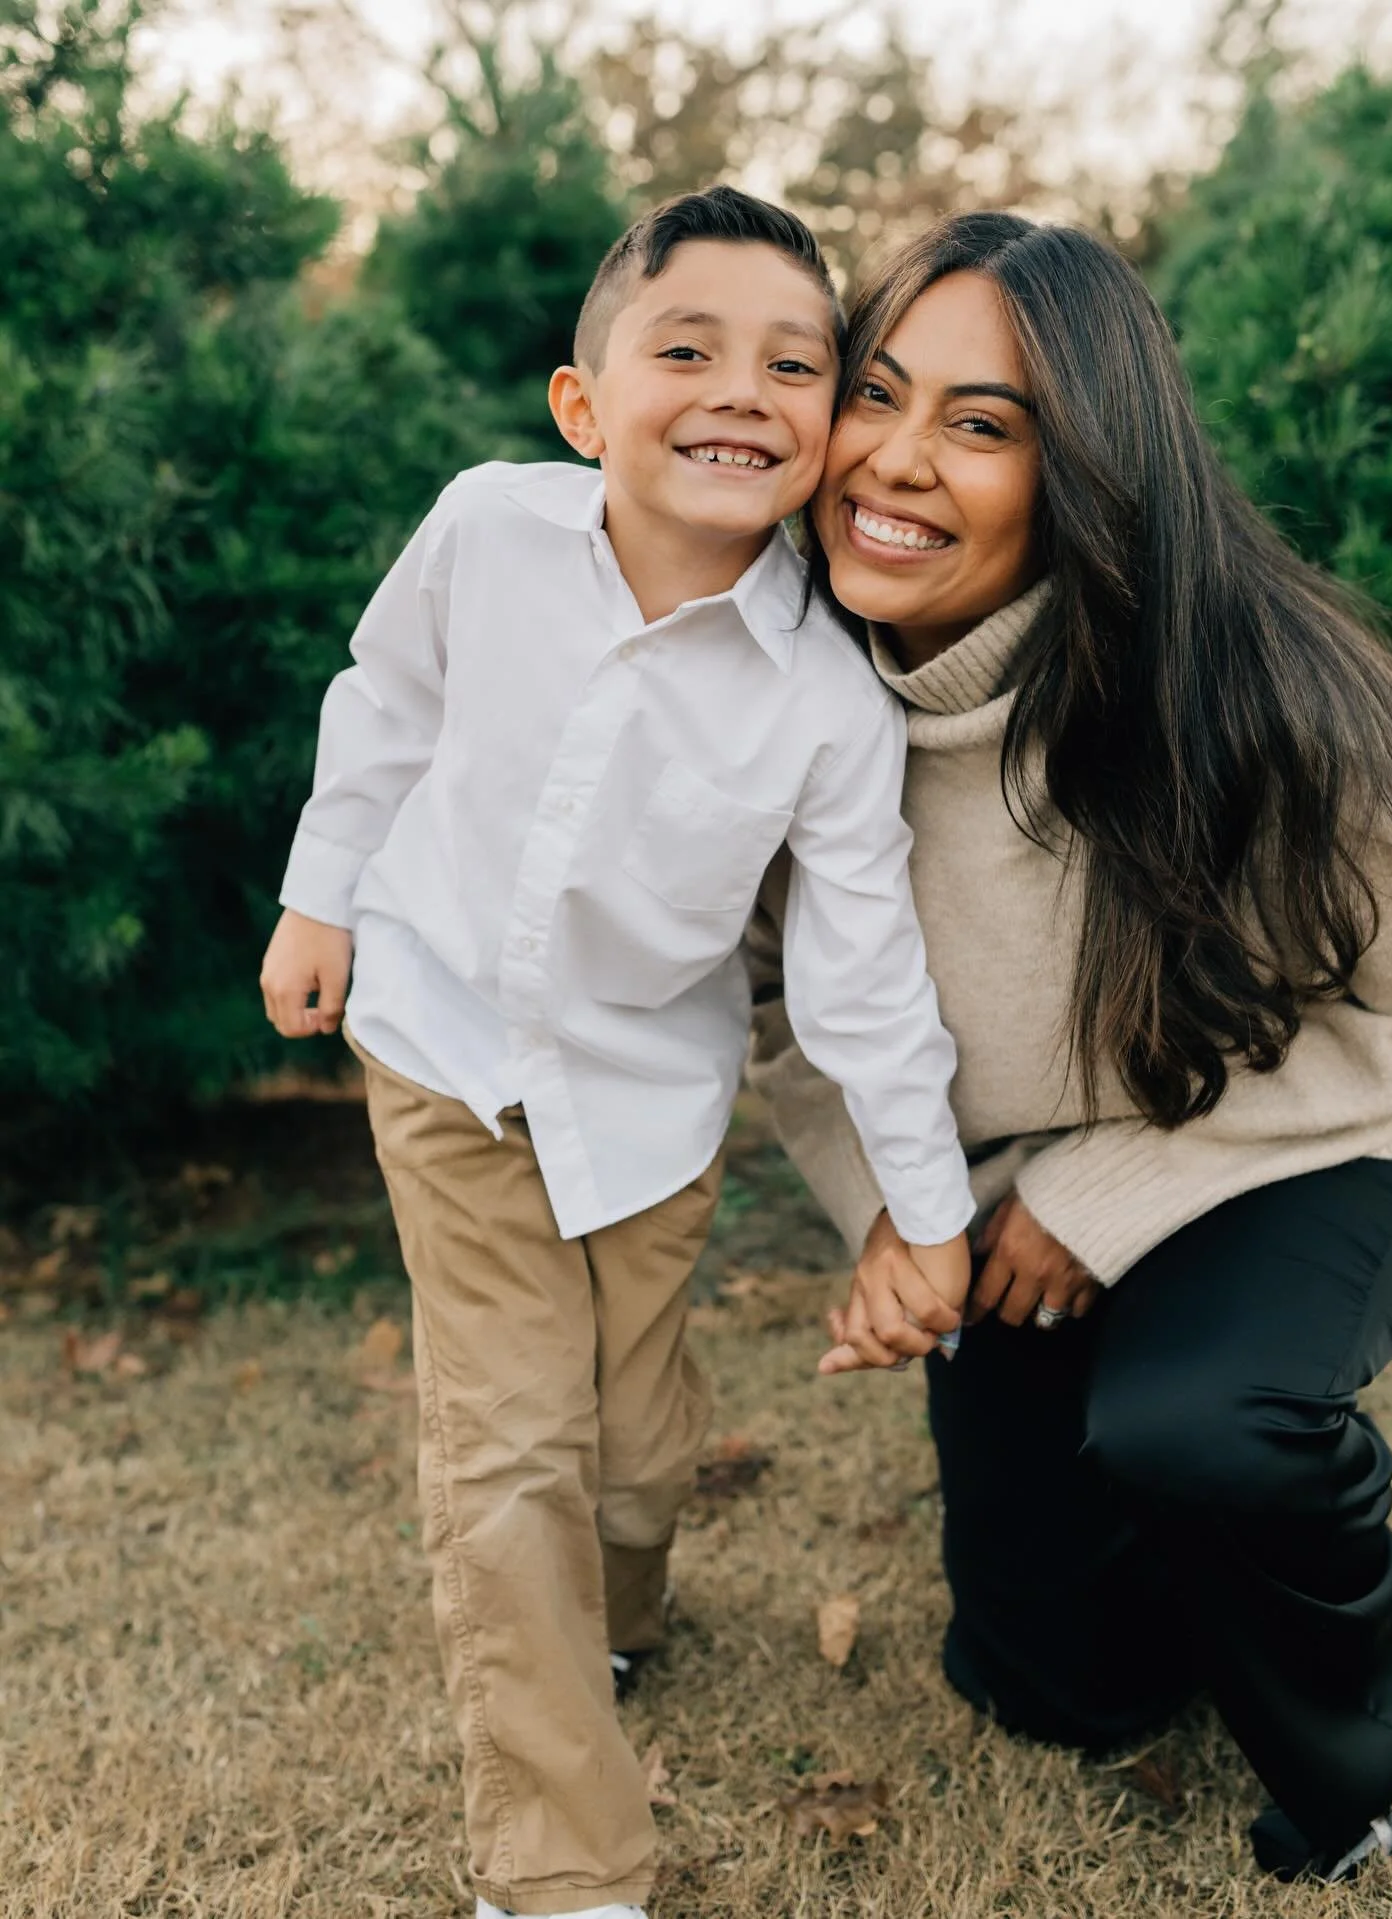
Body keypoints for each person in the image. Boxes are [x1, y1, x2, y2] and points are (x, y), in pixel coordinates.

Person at [259, 185, 974, 1919]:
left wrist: (926, 1205)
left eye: (794, 364)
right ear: (586, 406)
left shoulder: (827, 697)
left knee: (633, 1446)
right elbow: (386, 696)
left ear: (825, 427)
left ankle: (627, 1602)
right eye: (687, 349)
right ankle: (563, 1865)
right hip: (442, 1046)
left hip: (649, 1105)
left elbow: (862, 964)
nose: (743, 389)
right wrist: (319, 895)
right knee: (508, 1450)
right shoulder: (488, 530)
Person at [748, 209, 1392, 1885]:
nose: (897, 464)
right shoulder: (768, 691)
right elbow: (777, 1006)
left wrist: (1103, 1191)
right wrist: (902, 1218)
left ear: (1085, 472)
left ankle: (1366, 1731)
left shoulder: (1252, 695)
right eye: (880, 394)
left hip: (1317, 1134)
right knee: (1056, 1682)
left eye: (982, 427)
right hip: (1012, 1195)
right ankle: (1191, 1541)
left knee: (1198, 1420)